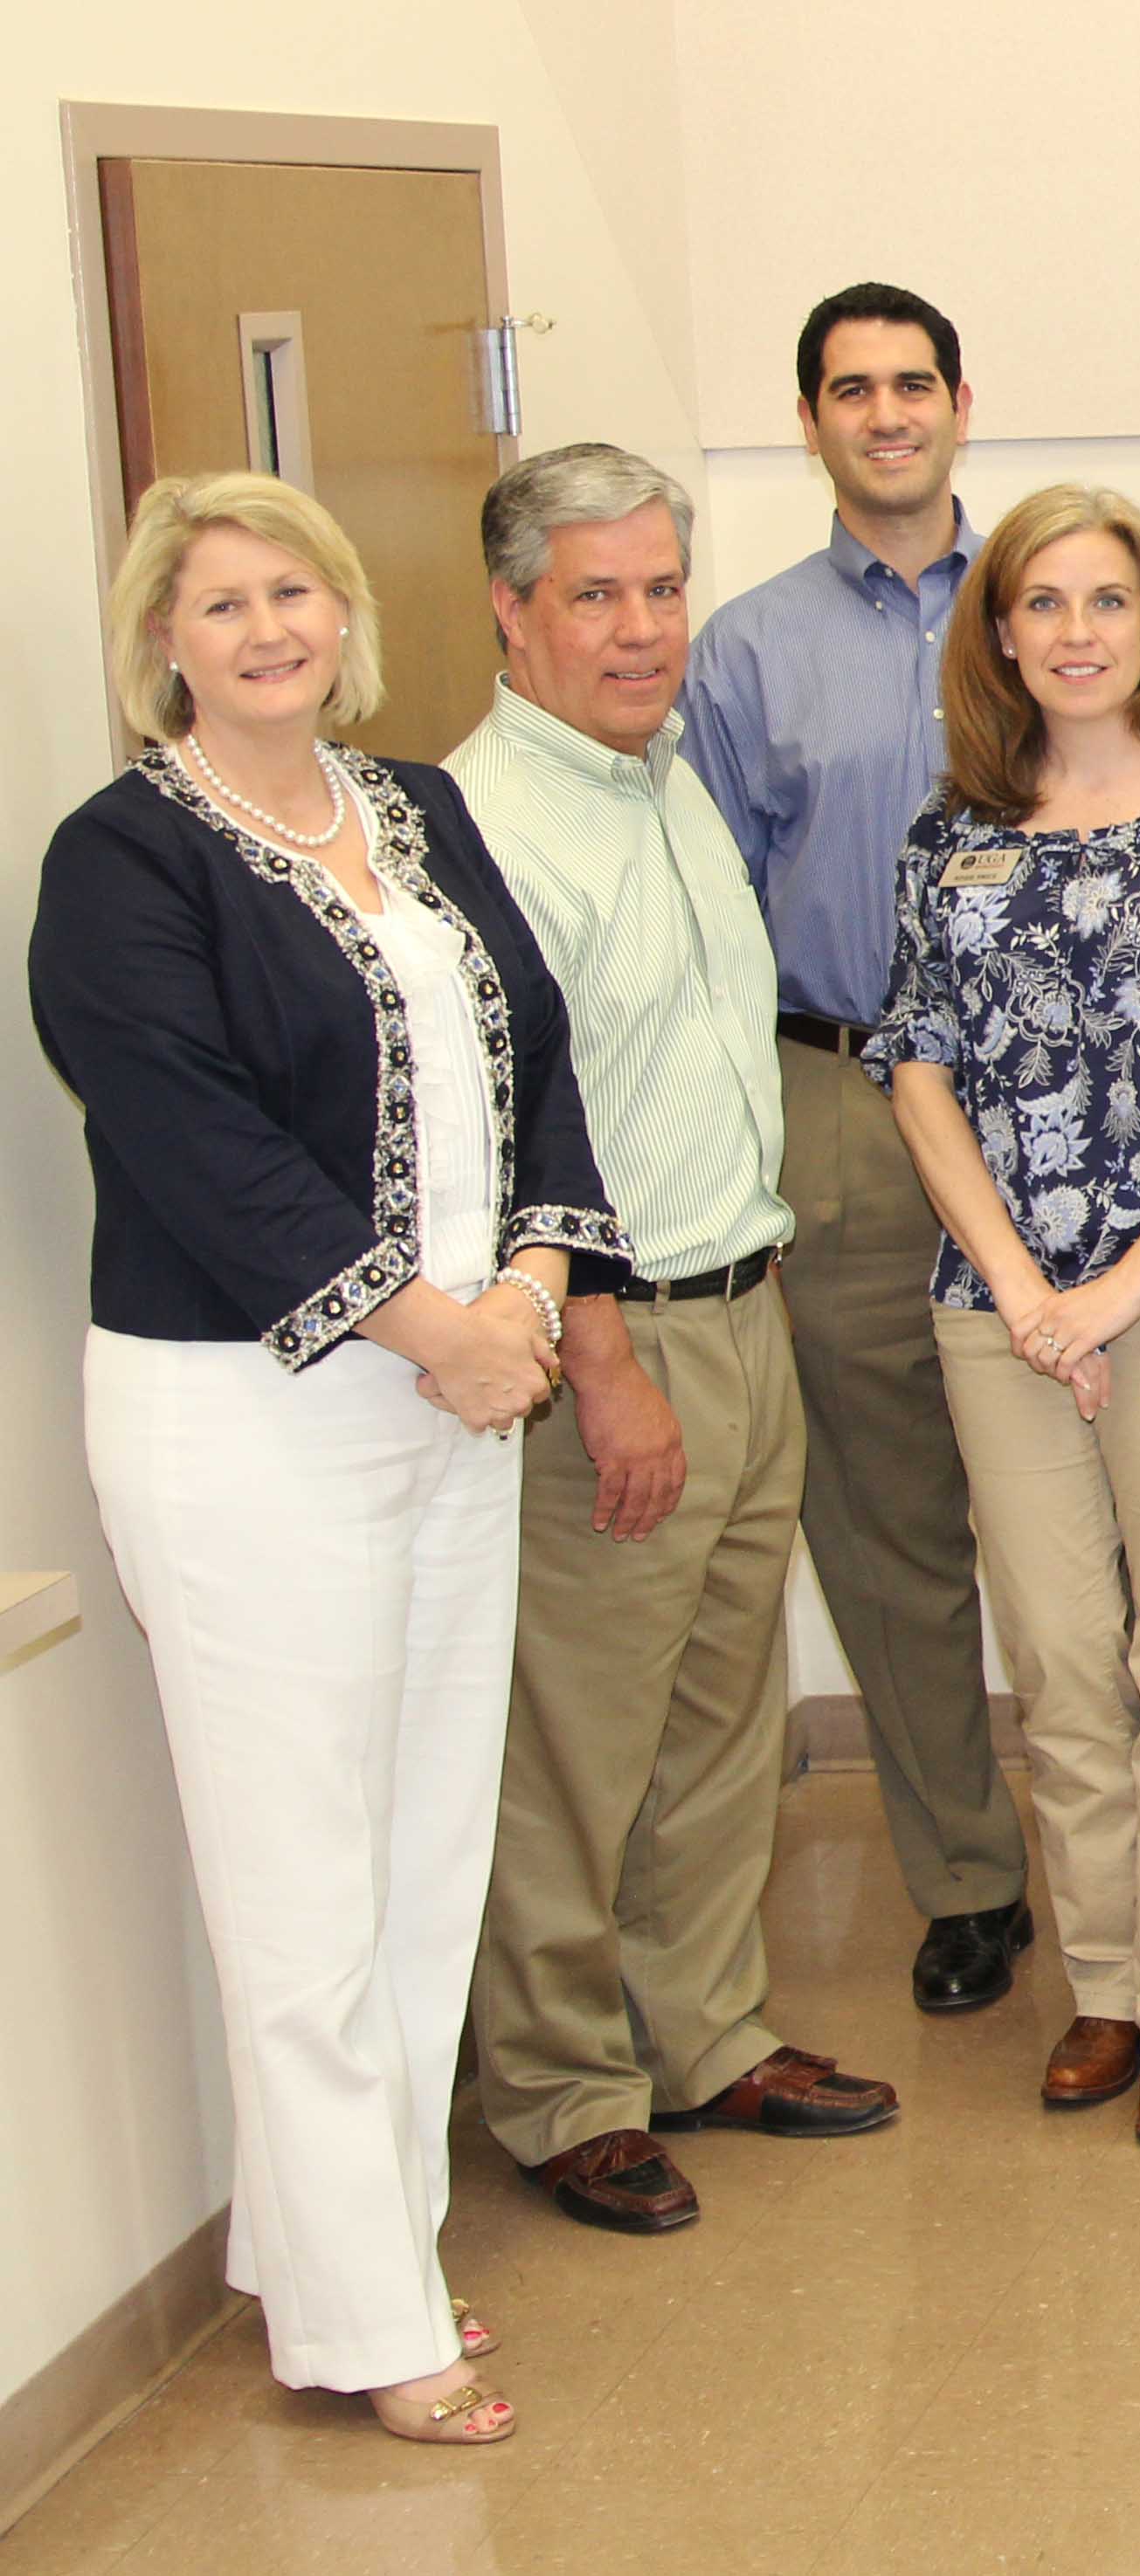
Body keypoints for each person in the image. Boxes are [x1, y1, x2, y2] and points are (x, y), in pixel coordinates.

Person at [37, 472, 625, 2442]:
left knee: (418, 1854)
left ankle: (338, 2244)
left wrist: (532, 1288)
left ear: (347, 613)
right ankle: (374, 2325)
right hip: (254, 1417)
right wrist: (431, 1322)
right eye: (221, 603)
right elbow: (195, 1137)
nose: (267, 627)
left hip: (459, 1391)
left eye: (294, 589)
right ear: (166, 644)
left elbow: (534, 1050)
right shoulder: (123, 857)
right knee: (298, 1880)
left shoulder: (415, 809)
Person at [449, 444, 895, 2239]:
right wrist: (614, 1354)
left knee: (719, 1719)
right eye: (596, 595)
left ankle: (703, 2028)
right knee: (579, 1736)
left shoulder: (664, 785)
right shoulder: (485, 823)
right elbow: (517, 1127)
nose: (640, 629)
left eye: (659, 588)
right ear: (513, 612)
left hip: (740, 1300)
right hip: (601, 1346)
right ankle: (562, 2082)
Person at [870, 485, 1140, 2144]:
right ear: (997, 632)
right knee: (1062, 1663)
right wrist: (1017, 1287)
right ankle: (1109, 1987)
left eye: (1105, 602)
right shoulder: (949, 838)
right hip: (998, 1302)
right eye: (1041, 602)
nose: (1074, 631)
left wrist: (1117, 1292)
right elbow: (914, 1065)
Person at [680, 282, 1043, 2011]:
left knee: (1093, 1510)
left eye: (913, 383)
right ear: (812, 419)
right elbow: (709, 913)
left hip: (1052, 1102)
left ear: (961, 402)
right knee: (887, 1517)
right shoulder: (744, 651)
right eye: (852, 389)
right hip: (835, 1099)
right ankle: (969, 1873)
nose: (887, 412)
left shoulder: (1056, 602)